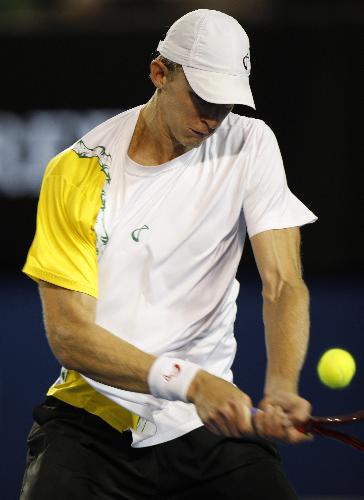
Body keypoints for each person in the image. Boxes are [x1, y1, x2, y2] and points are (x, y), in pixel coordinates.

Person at [20, 9, 317, 500]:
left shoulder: (251, 143)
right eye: (202, 98)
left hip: (205, 429)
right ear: (160, 73)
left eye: (226, 103)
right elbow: (70, 334)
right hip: (93, 420)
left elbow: (283, 282)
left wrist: (282, 384)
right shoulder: (75, 171)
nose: (213, 118)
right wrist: (191, 383)